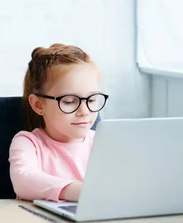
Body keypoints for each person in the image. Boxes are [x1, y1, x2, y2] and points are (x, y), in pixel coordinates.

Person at [8, 43, 109, 202]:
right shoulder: (29, 143)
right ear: (38, 105)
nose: (84, 111)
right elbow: (24, 180)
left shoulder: (101, 143)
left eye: (92, 99)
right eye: (69, 101)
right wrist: (80, 192)